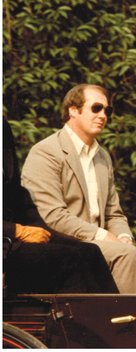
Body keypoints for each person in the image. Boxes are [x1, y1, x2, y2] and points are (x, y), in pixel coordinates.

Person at [21, 84, 136, 294]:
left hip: (102, 244)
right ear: (73, 110)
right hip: (65, 244)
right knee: (126, 255)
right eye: (96, 108)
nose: (103, 115)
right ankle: (133, 323)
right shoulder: (46, 152)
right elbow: (52, 215)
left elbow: (113, 213)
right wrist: (104, 236)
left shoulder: (103, 157)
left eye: (107, 110)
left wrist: (124, 238)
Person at [3, 118, 118, 294]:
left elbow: (27, 210)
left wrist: (67, 240)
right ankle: (81, 320)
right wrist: (16, 231)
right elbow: (21, 230)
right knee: (68, 259)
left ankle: (116, 317)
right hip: (7, 242)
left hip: (13, 242)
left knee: (89, 251)